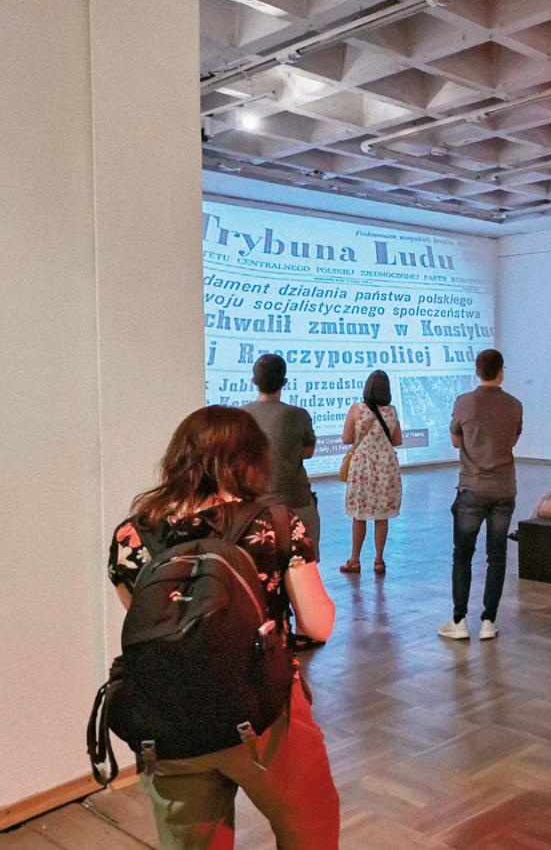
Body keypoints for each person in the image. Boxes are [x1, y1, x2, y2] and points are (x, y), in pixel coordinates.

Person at [106, 406, 339, 848]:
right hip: (266, 712)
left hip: (170, 722)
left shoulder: (131, 536)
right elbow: (318, 625)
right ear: (252, 461)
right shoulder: (276, 525)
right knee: (310, 825)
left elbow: (151, 628)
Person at [439, 349, 522, 642]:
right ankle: (489, 621)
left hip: (472, 486)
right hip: (503, 488)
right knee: (496, 556)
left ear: (477, 371)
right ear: (501, 371)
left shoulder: (464, 402)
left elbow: (454, 440)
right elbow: (512, 439)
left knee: (462, 555)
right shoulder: (514, 405)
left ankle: (459, 620)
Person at [244, 353, 320, 552]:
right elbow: (308, 452)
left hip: (254, 503)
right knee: (306, 557)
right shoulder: (298, 414)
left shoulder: (241, 416)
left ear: (254, 380)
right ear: (284, 382)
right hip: (295, 500)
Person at [339, 370, 403, 574]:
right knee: (381, 516)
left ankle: (355, 560)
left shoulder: (357, 409)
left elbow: (346, 438)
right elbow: (398, 440)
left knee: (359, 515)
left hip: (362, 467)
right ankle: (379, 560)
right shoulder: (391, 411)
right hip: (386, 467)